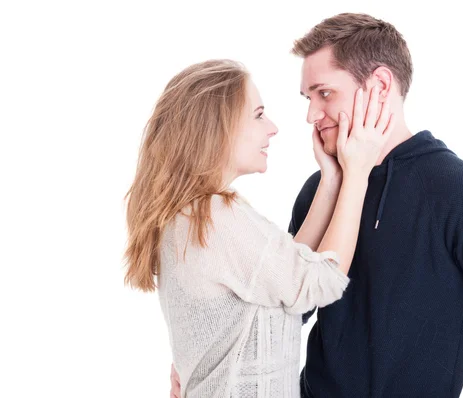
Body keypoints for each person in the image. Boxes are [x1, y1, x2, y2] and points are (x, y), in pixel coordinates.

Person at [168, 12, 463, 398]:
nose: (312, 114)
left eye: (324, 93)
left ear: (381, 86)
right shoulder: (319, 190)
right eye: (307, 97)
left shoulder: (459, 193)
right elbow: (287, 308)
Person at [124, 59, 395, 397]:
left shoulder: (189, 215)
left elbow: (287, 273)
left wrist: (332, 180)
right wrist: (358, 173)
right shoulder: (214, 217)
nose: (272, 128)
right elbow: (321, 281)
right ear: (216, 128)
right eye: (258, 115)